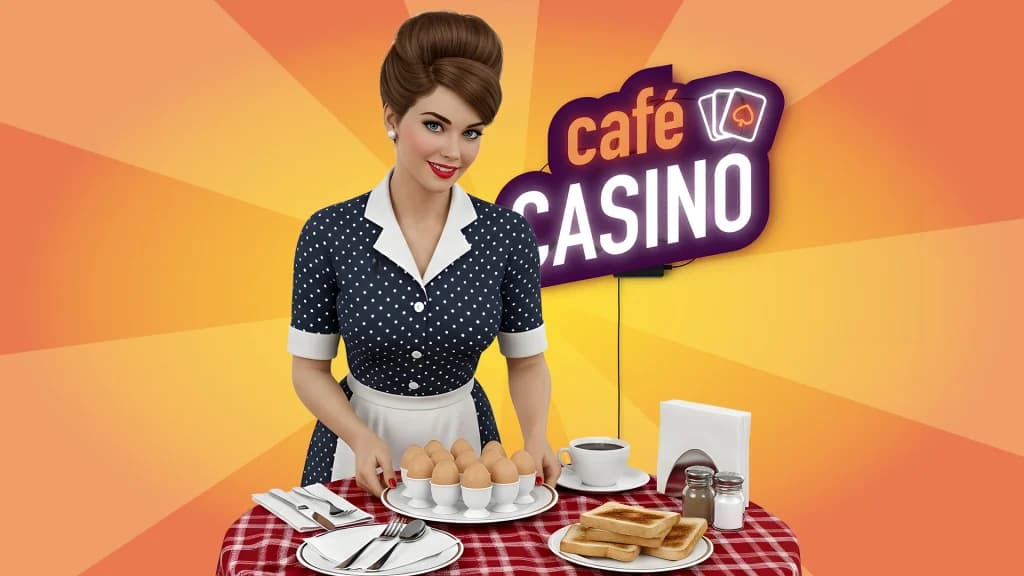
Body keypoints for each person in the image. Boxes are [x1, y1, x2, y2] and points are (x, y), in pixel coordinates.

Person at [287, 11, 560, 497]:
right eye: (435, 125)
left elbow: (526, 361)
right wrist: (357, 434)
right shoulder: (329, 232)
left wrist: (536, 435)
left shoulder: (506, 235)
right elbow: (309, 370)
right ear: (392, 118)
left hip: (469, 447)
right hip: (354, 445)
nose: (454, 151)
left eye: (471, 132)